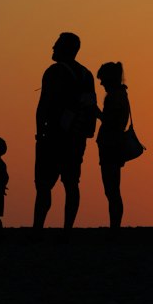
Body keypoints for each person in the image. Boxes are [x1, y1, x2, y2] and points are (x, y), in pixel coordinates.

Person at [33, 32, 97, 229]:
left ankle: (38, 229)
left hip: (52, 137)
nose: (52, 48)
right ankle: (67, 230)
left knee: (44, 185)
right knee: (71, 184)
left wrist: (40, 133)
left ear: (65, 48)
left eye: (56, 45)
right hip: (76, 138)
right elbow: (91, 105)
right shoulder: (87, 75)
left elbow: (43, 105)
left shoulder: (53, 72)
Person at [95, 62, 131, 229]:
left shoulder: (114, 97)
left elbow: (110, 121)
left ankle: (114, 228)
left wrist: (96, 112)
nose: (101, 83)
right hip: (114, 145)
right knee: (112, 189)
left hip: (111, 145)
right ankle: (114, 226)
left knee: (111, 190)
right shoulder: (121, 95)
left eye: (102, 79)